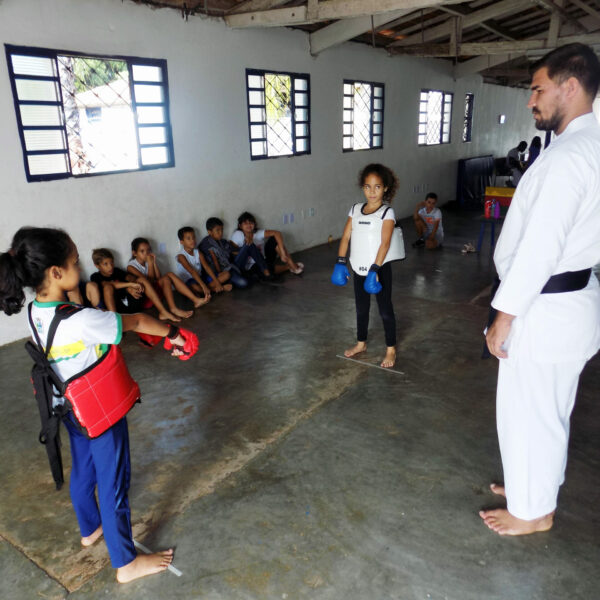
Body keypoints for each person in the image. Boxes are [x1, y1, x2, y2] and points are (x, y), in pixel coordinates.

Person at [0, 227, 199, 583]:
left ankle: (90, 529)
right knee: (113, 483)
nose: (80, 268)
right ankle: (125, 563)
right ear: (56, 272)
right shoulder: (81, 320)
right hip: (100, 411)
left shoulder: (35, 311)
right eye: (75, 262)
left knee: (84, 468)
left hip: (68, 407)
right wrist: (174, 334)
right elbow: (137, 321)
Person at [482, 43, 600, 536]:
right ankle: (530, 488)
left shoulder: (571, 156)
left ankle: (533, 514)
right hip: (562, 305)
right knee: (540, 412)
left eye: (537, 89)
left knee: (534, 414)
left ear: (569, 87)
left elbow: (541, 248)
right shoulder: (584, 146)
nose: (531, 100)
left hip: (545, 309)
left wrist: (504, 315)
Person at [331, 163, 403, 369]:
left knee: (385, 310)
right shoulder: (355, 210)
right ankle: (361, 343)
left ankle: (391, 349)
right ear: (363, 187)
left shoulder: (387, 212)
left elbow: (385, 243)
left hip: (378, 269)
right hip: (358, 267)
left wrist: (375, 270)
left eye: (377, 187)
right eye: (368, 187)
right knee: (361, 309)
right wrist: (340, 261)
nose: (372, 192)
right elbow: (346, 236)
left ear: (385, 188)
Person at [127, 237, 207, 316]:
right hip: (147, 300)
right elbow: (149, 283)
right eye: (142, 251)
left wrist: (154, 263)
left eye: (148, 250)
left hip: (156, 294)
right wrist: (150, 264)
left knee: (169, 274)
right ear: (134, 253)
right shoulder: (131, 267)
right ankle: (173, 309)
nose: (146, 253)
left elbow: (159, 278)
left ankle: (194, 300)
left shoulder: (148, 261)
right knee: (166, 278)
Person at [230, 212, 304, 277]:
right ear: (240, 226)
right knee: (267, 271)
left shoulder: (257, 232)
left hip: (264, 259)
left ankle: (291, 264)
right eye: (245, 223)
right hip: (251, 266)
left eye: (251, 222)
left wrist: (282, 252)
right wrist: (245, 251)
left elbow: (277, 233)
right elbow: (232, 251)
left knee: (274, 239)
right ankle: (288, 267)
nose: (249, 225)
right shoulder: (238, 234)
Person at [175, 226, 232, 295]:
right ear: (182, 242)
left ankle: (205, 290)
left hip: (200, 278)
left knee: (226, 274)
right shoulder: (181, 256)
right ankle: (217, 289)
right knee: (195, 287)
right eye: (188, 238)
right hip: (189, 281)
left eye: (193, 237)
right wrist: (203, 286)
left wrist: (217, 283)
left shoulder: (198, 253)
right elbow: (192, 272)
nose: (192, 240)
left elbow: (207, 267)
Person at [198, 217, 250, 289]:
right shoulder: (205, 244)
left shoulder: (222, 241)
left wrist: (244, 251)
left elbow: (233, 251)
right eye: (217, 230)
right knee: (244, 283)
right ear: (210, 232)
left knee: (249, 245)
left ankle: (263, 269)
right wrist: (220, 273)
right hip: (221, 273)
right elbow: (213, 261)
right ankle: (228, 281)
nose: (221, 233)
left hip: (230, 266)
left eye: (222, 229)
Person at [90, 248, 146, 314]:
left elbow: (131, 278)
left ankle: (157, 307)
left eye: (112, 262)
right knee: (108, 288)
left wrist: (132, 285)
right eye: (105, 264)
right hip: (116, 307)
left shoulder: (117, 271)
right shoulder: (95, 277)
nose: (110, 267)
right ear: (97, 266)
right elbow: (109, 284)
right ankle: (115, 318)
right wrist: (128, 286)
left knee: (141, 280)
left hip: (130, 302)